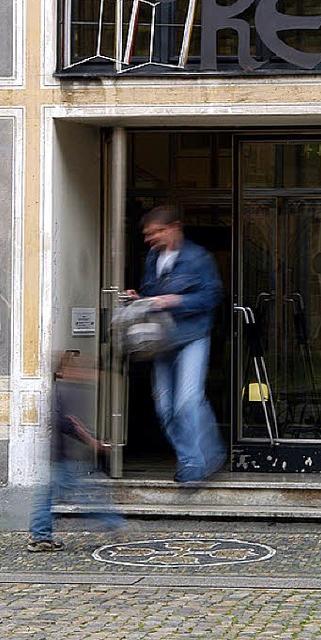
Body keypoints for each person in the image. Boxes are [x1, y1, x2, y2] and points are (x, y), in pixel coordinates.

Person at [126, 205, 226, 484]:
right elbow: (150, 292)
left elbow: (212, 297)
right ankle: (198, 458)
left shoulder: (198, 258)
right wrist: (139, 297)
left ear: (173, 228)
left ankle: (198, 462)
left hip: (193, 338)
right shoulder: (152, 259)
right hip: (162, 341)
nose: (149, 239)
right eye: (148, 234)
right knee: (166, 409)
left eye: (155, 232)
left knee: (187, 402)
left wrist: (175, 301)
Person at [27, 350, 126, 551]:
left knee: (45, 496)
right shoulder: (63, 390)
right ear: (64, 371)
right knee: (85, 493)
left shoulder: (58, 389)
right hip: (63, 455)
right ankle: (114, 523)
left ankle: (40, 537)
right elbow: (69, 424)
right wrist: (92, 441)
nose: (80, 371)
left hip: (56, 454)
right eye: (75, 367)